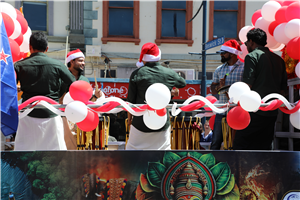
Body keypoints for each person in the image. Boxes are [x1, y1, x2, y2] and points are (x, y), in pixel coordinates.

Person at [14, 31, 76, 150]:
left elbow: (9, 87)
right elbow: (73, 83)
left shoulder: (19, 65)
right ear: (47, 48)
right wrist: (59, 93)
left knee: (24, 156)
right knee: (56, 156)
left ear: (30, 47)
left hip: (27, 115)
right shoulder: (58, 65)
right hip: (52, 115)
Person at [233, 28, 287, 150]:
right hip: (272, 112)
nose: (246, 45)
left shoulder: (251, 57)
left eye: (246, 42)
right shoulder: (279, 60)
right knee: (264, 149)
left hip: (254, 111)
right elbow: (283, 90)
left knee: (241, 145)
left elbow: (247, 85)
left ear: (251, 41)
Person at [126, 42, 186, 150]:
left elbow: (131, 100)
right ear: (158, 57)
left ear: (144, 58)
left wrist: (130, 119)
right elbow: (182, 83)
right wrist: (170, 92)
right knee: (162, 156)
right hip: (162, 121)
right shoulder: (168, 73)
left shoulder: (137, 74)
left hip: (140, 123)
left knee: (133, 156)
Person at [210, 39, 244, 150]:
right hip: (222, 110)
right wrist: (219, 87)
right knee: (216, 141)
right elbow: (213, 90)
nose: (221, 55)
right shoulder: (219, 69)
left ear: (232, 53)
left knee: (236, 142)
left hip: (238, 110)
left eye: (224, 52)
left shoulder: (244, 68)